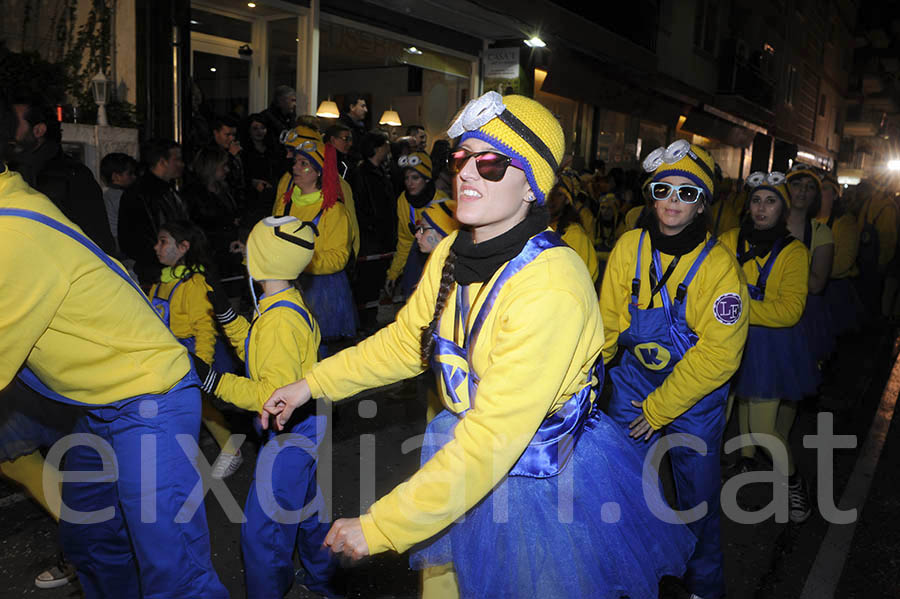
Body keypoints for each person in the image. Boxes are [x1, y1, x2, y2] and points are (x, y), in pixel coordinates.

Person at [261, 92, 695, 598]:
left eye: (489, 163)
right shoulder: (452, 248)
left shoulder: (552, 285)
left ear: (532, 185)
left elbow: (493, 437)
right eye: (460, 158)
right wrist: (310, 384)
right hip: (463, 453)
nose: (466, 173)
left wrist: (382, 525)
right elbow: (407, 344)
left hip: (538, 483)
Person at [0, 96, 227, 597]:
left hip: (149, 400)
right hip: (94, 404)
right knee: (91, 539)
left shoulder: (11, 233)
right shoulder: (11, 209)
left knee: (173, 573)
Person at [601, 140, 749, 599]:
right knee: (621, 491)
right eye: (663, 189)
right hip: (631, 384)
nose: (672, 202)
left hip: (695, 397)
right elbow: (606, 325)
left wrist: (660, 407)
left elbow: (720, 356)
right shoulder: (630, 245)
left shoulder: (721, 267)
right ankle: (632, 579)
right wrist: (583, 385)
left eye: (687, 193)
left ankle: (703, 587)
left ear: (703, 203)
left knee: (696, 504)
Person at [194, 217, 340, 598]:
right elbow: (258, 352)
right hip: (307, 426)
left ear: (261, 260)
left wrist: (213, 381)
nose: (243, 253)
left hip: (290, 433)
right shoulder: (282, 304)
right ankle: (324, 581)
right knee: (308, 512)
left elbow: (271, 392)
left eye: (249, 247)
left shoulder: (277, 319)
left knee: (265, 531)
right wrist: (228, 318)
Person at [720, 172, 816, 524]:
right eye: (757, 200)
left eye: (771, 201)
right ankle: (740, 463)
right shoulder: (729, 239)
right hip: (727, 340)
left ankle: (793, 484)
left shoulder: (794, 252)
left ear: (783, 209)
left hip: (768, 346)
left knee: (762, 427)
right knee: (720, 414)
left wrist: (736, 308)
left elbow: (790, 310)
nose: (762, 208)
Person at [149, 220, 244, 478]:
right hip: (168, 354)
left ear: (183, 247)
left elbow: (204, 327)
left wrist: (202, 365)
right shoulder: (160, 282)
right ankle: (180, 461)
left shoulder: (195, 283)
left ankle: (229, 448)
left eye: (163, 241)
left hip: (191, 354)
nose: (156, 247)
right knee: (182, 408)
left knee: (197, 405)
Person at [272, 129, 357, 343]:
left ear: (319, 170)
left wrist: (304, 263)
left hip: (322, 292)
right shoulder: (286, 202)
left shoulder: (333, 210)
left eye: (303, 164)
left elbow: (339, 256)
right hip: (288, 285)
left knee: (320, 353)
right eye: (296, 163)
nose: (295, 168)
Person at [10, 100, 115, 255]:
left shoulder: (74, 176)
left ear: (38, 130)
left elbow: (98, 242)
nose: (6, 128)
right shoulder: (10, 171)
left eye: (13, 122)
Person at [384, 151, 457, 298]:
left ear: (427, 179)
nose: (409, 183)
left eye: (415, 178)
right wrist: (393, 273)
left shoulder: (442, 202)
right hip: (416, 258)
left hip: (439, 260)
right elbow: (405, 241)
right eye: (407, 178)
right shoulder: (403, 201)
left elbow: (451, 244)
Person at [118, 138, 190, 286]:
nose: (181, 164)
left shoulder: (169, 192)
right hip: (155, 270)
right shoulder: (140, 193)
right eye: (177, 159)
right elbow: (131, 237)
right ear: (162, 162)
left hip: (170, 265)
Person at [786, 165, 836, 361]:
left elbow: (816, 285)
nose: (803, 190)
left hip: (803, 320)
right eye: (797, 184)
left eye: (810, 187)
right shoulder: (766, 225)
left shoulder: (821, 233)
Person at [183, 146, 241, 277]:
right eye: (223, 166)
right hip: (208, 254)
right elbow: (196, 224)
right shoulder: (193, 194)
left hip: (228, 252)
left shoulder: (224, 189)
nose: (227, 170)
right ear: (211, 166)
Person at [818, 172, 863, 335]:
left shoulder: (845, 222)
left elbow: (844, 262)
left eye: (824, 189)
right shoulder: (808, 220)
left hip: (835, 291)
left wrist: (813, 273)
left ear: (836, 195)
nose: (819, 193)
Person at [546, 184, 599, 284]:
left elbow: (581, 279)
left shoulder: (575, 235)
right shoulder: (536, 228)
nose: (552, 199)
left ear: (567, 200)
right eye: (550, 192)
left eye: (559, 194)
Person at [241, 112, 281, 224]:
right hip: (252, 198)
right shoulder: (243, 151)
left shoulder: (273, 149)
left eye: (263, 128)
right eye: (255, 128)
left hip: (272, 194)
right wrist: (252, 182)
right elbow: (241, 175)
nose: (259, 132)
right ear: (248, 130)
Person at [99, 152, 138, 256]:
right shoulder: (121, 196)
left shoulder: (103, 193)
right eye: (129, 173)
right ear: (116, 176)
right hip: (120, 243)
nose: (134, 177)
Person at [260, 85, 298, 150]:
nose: (295, 104)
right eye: (292, 100)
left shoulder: (291, 117)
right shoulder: (265, 117)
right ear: (281, 100)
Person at [338, 93, 368, 162]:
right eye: (362, 106)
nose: (366, 110)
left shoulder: (360, 127)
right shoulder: (342, 127)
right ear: (352, 107)